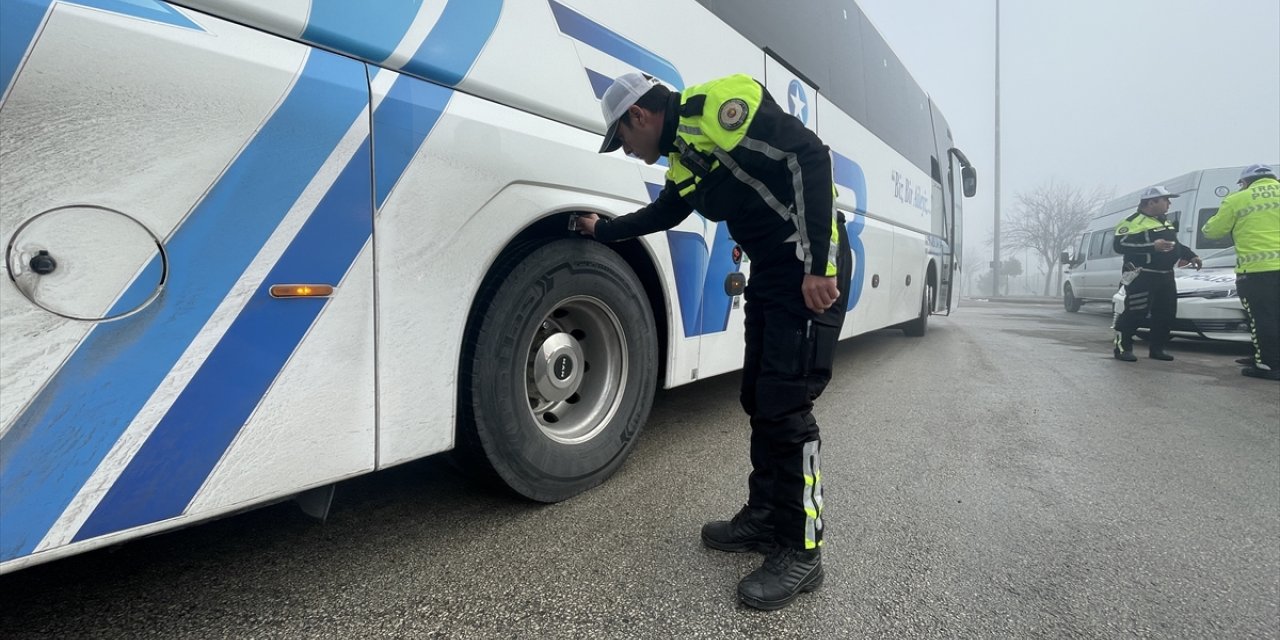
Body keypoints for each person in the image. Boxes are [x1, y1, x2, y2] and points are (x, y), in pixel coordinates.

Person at [574, 72, 851, 610]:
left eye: (623, 138)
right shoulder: (683, 160)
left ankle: (803, 549)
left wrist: (820, 265)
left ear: (640, 115)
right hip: (772, 271)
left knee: (787, 408)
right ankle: (767, 517)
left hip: (810, 265)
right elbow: (665, 212)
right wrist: (599, 231)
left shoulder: (719, 107)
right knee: (759, 398)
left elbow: (810, 159)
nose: (628, 150)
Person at [1202, 164, 1280, 381]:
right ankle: (1263, 355)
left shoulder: (1238, 199)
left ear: (1245, 182)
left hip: (1257, 271)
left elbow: (1212, 231)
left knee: (1263, 317)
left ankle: (1268, 364)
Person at [1111, 185, 1202, 361]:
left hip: (1165, 275)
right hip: (1142, 274)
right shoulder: (1132, 222)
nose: (1169, 204)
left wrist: (1191, 255)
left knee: (1166, 313)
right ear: (1151, 202)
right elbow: (1120, 246)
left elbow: (1174, 244)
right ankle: (1123, 347)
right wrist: (1152, 247)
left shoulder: (1164, 221)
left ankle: (1157, 349)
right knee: (1136, 311)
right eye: (1166, 200)